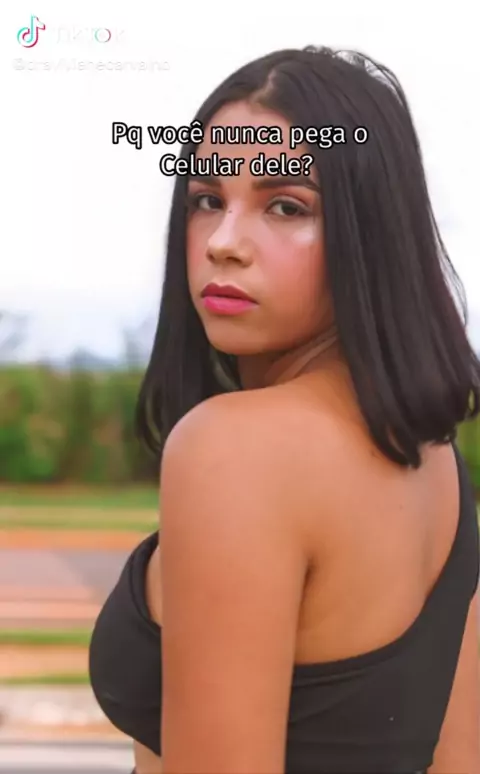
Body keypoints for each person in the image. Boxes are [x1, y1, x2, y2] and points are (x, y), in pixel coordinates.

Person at [88, 45, 480, 774]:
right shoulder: (435, 462)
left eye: (287, 206)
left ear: (369, 234)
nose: (224, 244)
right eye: (207, 200)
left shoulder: (234, 450)